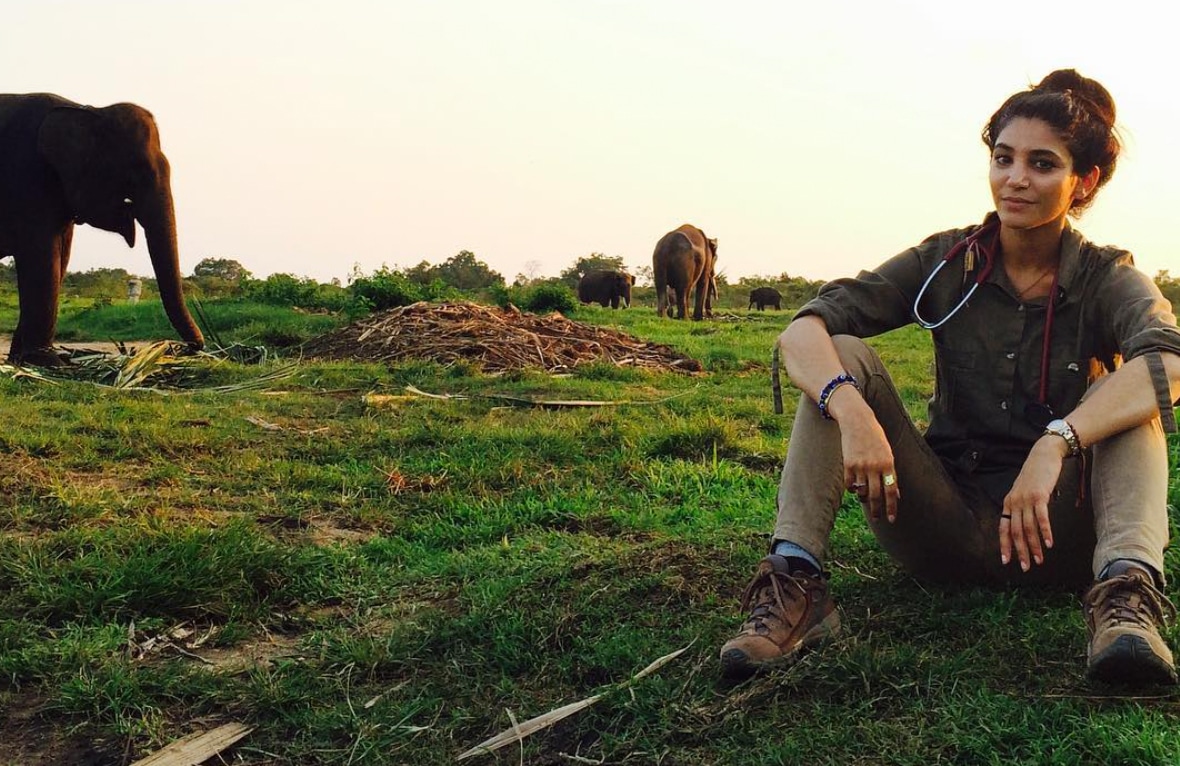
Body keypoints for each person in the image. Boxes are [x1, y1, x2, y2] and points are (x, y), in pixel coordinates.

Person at [719, 69, 1180, 687]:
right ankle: (796, 584)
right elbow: (804, 329)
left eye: (1042, 164)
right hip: (941, 523)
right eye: (1003, 158)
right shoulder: (947, 261)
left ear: (1083, 181)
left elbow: (1170, 363)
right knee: (843, 353)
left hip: (1060, 535)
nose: (1016, 179)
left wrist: (1057, 440)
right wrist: (851, 409)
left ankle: (1126, 602)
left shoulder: (1107, 277)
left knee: (1132, 393)